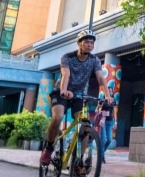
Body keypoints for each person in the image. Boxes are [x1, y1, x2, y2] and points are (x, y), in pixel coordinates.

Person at [40, 30, 113, 166]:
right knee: (57, 117)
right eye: (86, 42)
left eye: (92, 43)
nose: (89, 45)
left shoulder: (94, 60)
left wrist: (107, 95)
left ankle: (79, 161)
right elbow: (66, 74)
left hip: (79, 95)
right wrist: (64, 90)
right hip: (61, 92)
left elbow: (100, 78)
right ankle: (49, 148)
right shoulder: (67, 57)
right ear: (79, 43)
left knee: (86, 126)